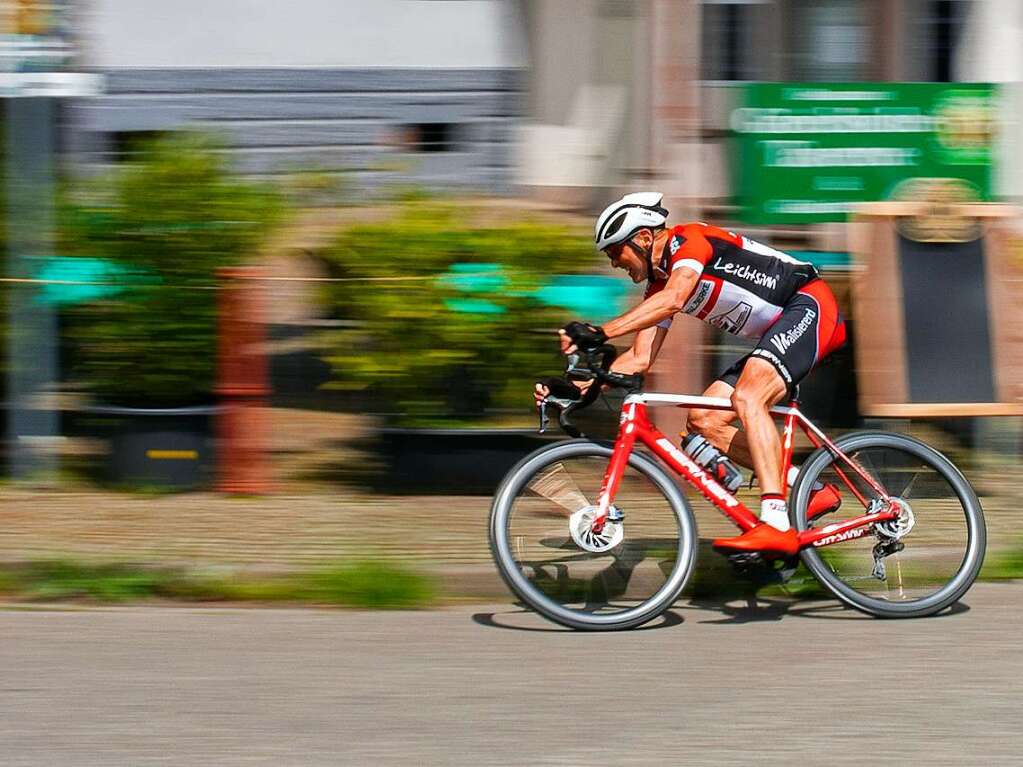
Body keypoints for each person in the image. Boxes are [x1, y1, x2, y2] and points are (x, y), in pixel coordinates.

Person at [536, 192, 846, 555]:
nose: (615, 263)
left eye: (615, 252)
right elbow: (639, 358)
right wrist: (577, 386)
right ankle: (808, 489)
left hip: (808, 305)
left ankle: (775, 522)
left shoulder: (689, 241)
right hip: (777, 331)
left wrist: (602, 332)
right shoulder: (659, 286)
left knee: (748, 397)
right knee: (703, 420)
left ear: (644, 237)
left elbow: (676, 298)